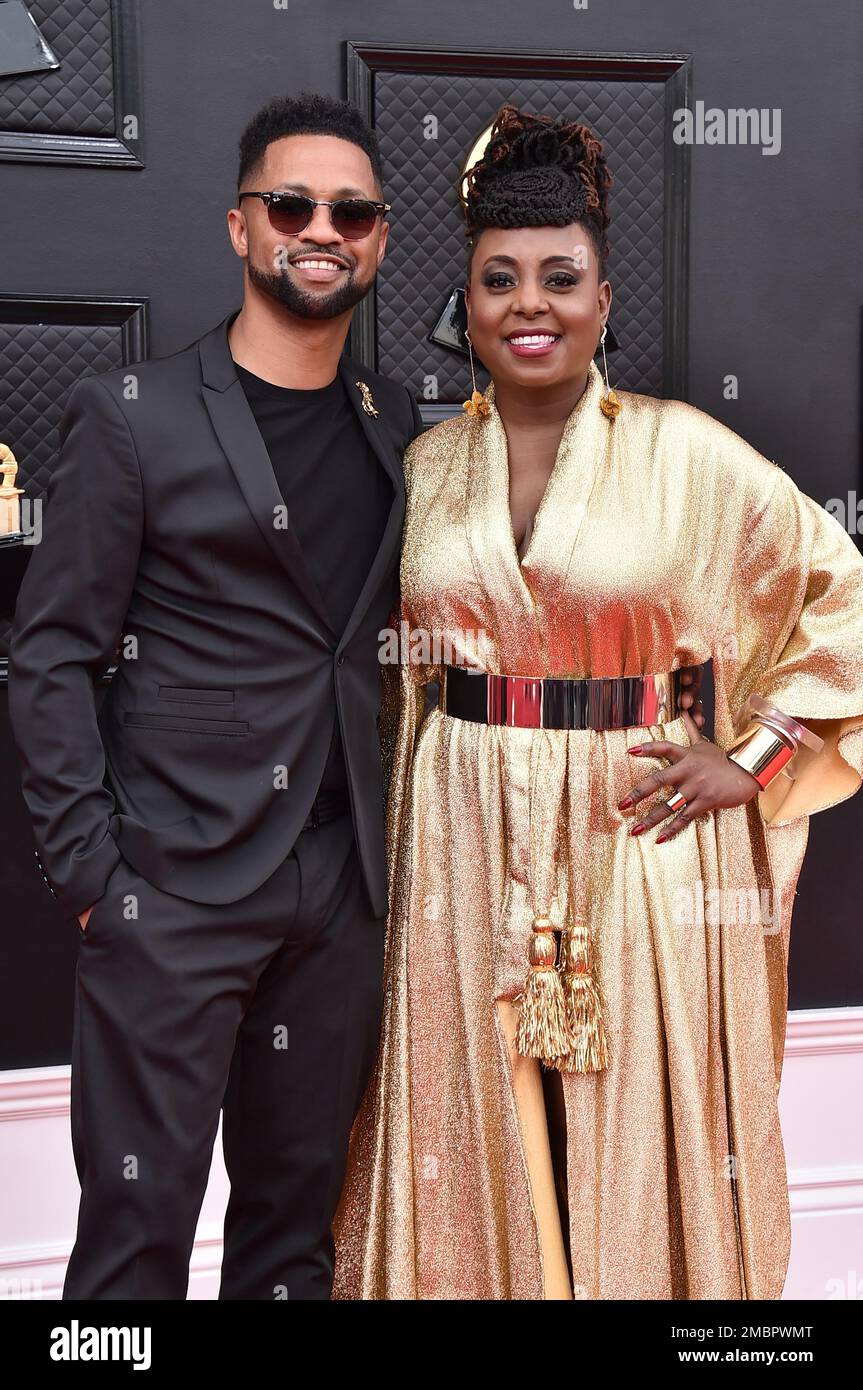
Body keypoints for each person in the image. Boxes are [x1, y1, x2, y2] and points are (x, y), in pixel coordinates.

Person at [331, 103, 863, 1300]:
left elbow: (842, 601)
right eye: (499, 279)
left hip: (641, 828)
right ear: (464, 308)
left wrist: (760, 758)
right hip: (461, 821)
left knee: (628, 1122)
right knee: (471, 1110)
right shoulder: (421, 468)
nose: (530, 303)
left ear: (603, 302)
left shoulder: (689, 455)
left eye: (559, 278)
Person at [8, 91, 423, 1299]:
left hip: (337, 895)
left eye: (351, 211)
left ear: (380, 239)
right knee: (132, 1250)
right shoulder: (131, 419)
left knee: (294, 1244)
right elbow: (50, 656)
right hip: (171, 893)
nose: (321, 228)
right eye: (290, 203)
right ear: (238, 228)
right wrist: (92, 878)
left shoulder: (392, 423)